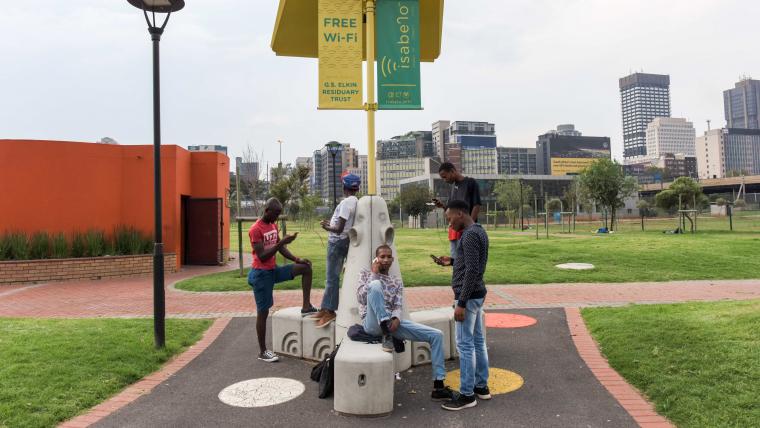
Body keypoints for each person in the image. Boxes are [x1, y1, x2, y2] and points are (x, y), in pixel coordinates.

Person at [357, 244, 455, 402]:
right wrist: (374, 275)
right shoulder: (366, 274)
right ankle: (387, 333)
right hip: (372, 324)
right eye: (382, 256)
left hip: (391, 323)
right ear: (376, 258)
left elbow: (397, 305)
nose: (385, 260)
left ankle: (439, 386)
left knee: (437, 335)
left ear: (392, 260)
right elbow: (361, 299)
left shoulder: (396, 282)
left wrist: (396, 319)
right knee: (375, 285)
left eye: (389, 257)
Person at [433, 199, 490, 411]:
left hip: (468, 297)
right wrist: (453, 261)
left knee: (465, 345)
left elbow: (473, 271)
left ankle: (467, 395)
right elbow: (470, 263)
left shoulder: (469, 235)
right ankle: (481, 387)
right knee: (477, 341)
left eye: (449, 219)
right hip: (476, 295)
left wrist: (462, 303)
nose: (449, 224)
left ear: (459, 214)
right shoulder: (478, 231)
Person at [248, 198, 317, 363]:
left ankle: (306, 306)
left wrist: (296, 259)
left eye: (279, 214)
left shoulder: (273, 225)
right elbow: (263, 257)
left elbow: (281, 247)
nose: (277, 218)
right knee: (263, 312)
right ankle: (263, 351)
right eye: (276, 214)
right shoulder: (255, 229)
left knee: (306, 268)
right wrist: (281, 243)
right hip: (261, 274)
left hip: (273, 270)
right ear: (267, 211)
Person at [312, 172, 361, 328]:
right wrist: (331, 223)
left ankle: (330, 311)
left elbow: (339, 228)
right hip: (342, 241)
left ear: (344, 186)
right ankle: (325, 307)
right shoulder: (355, 201)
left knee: (331, 278)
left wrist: (327, 227)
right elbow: (342, 224)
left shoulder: (347, 203)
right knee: (331, 277)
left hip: (336, 242)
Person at [432, 162, 482, 257]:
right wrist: (442, 206)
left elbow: (476, 205)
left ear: (452, 171)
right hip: (454, 232)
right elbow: (452, 210)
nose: (444, 180)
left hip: (467, 232)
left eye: (445, 177)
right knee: (456, 263)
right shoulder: (453, 187)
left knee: (468, 260)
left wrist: (469, 228)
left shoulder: (471, 183)